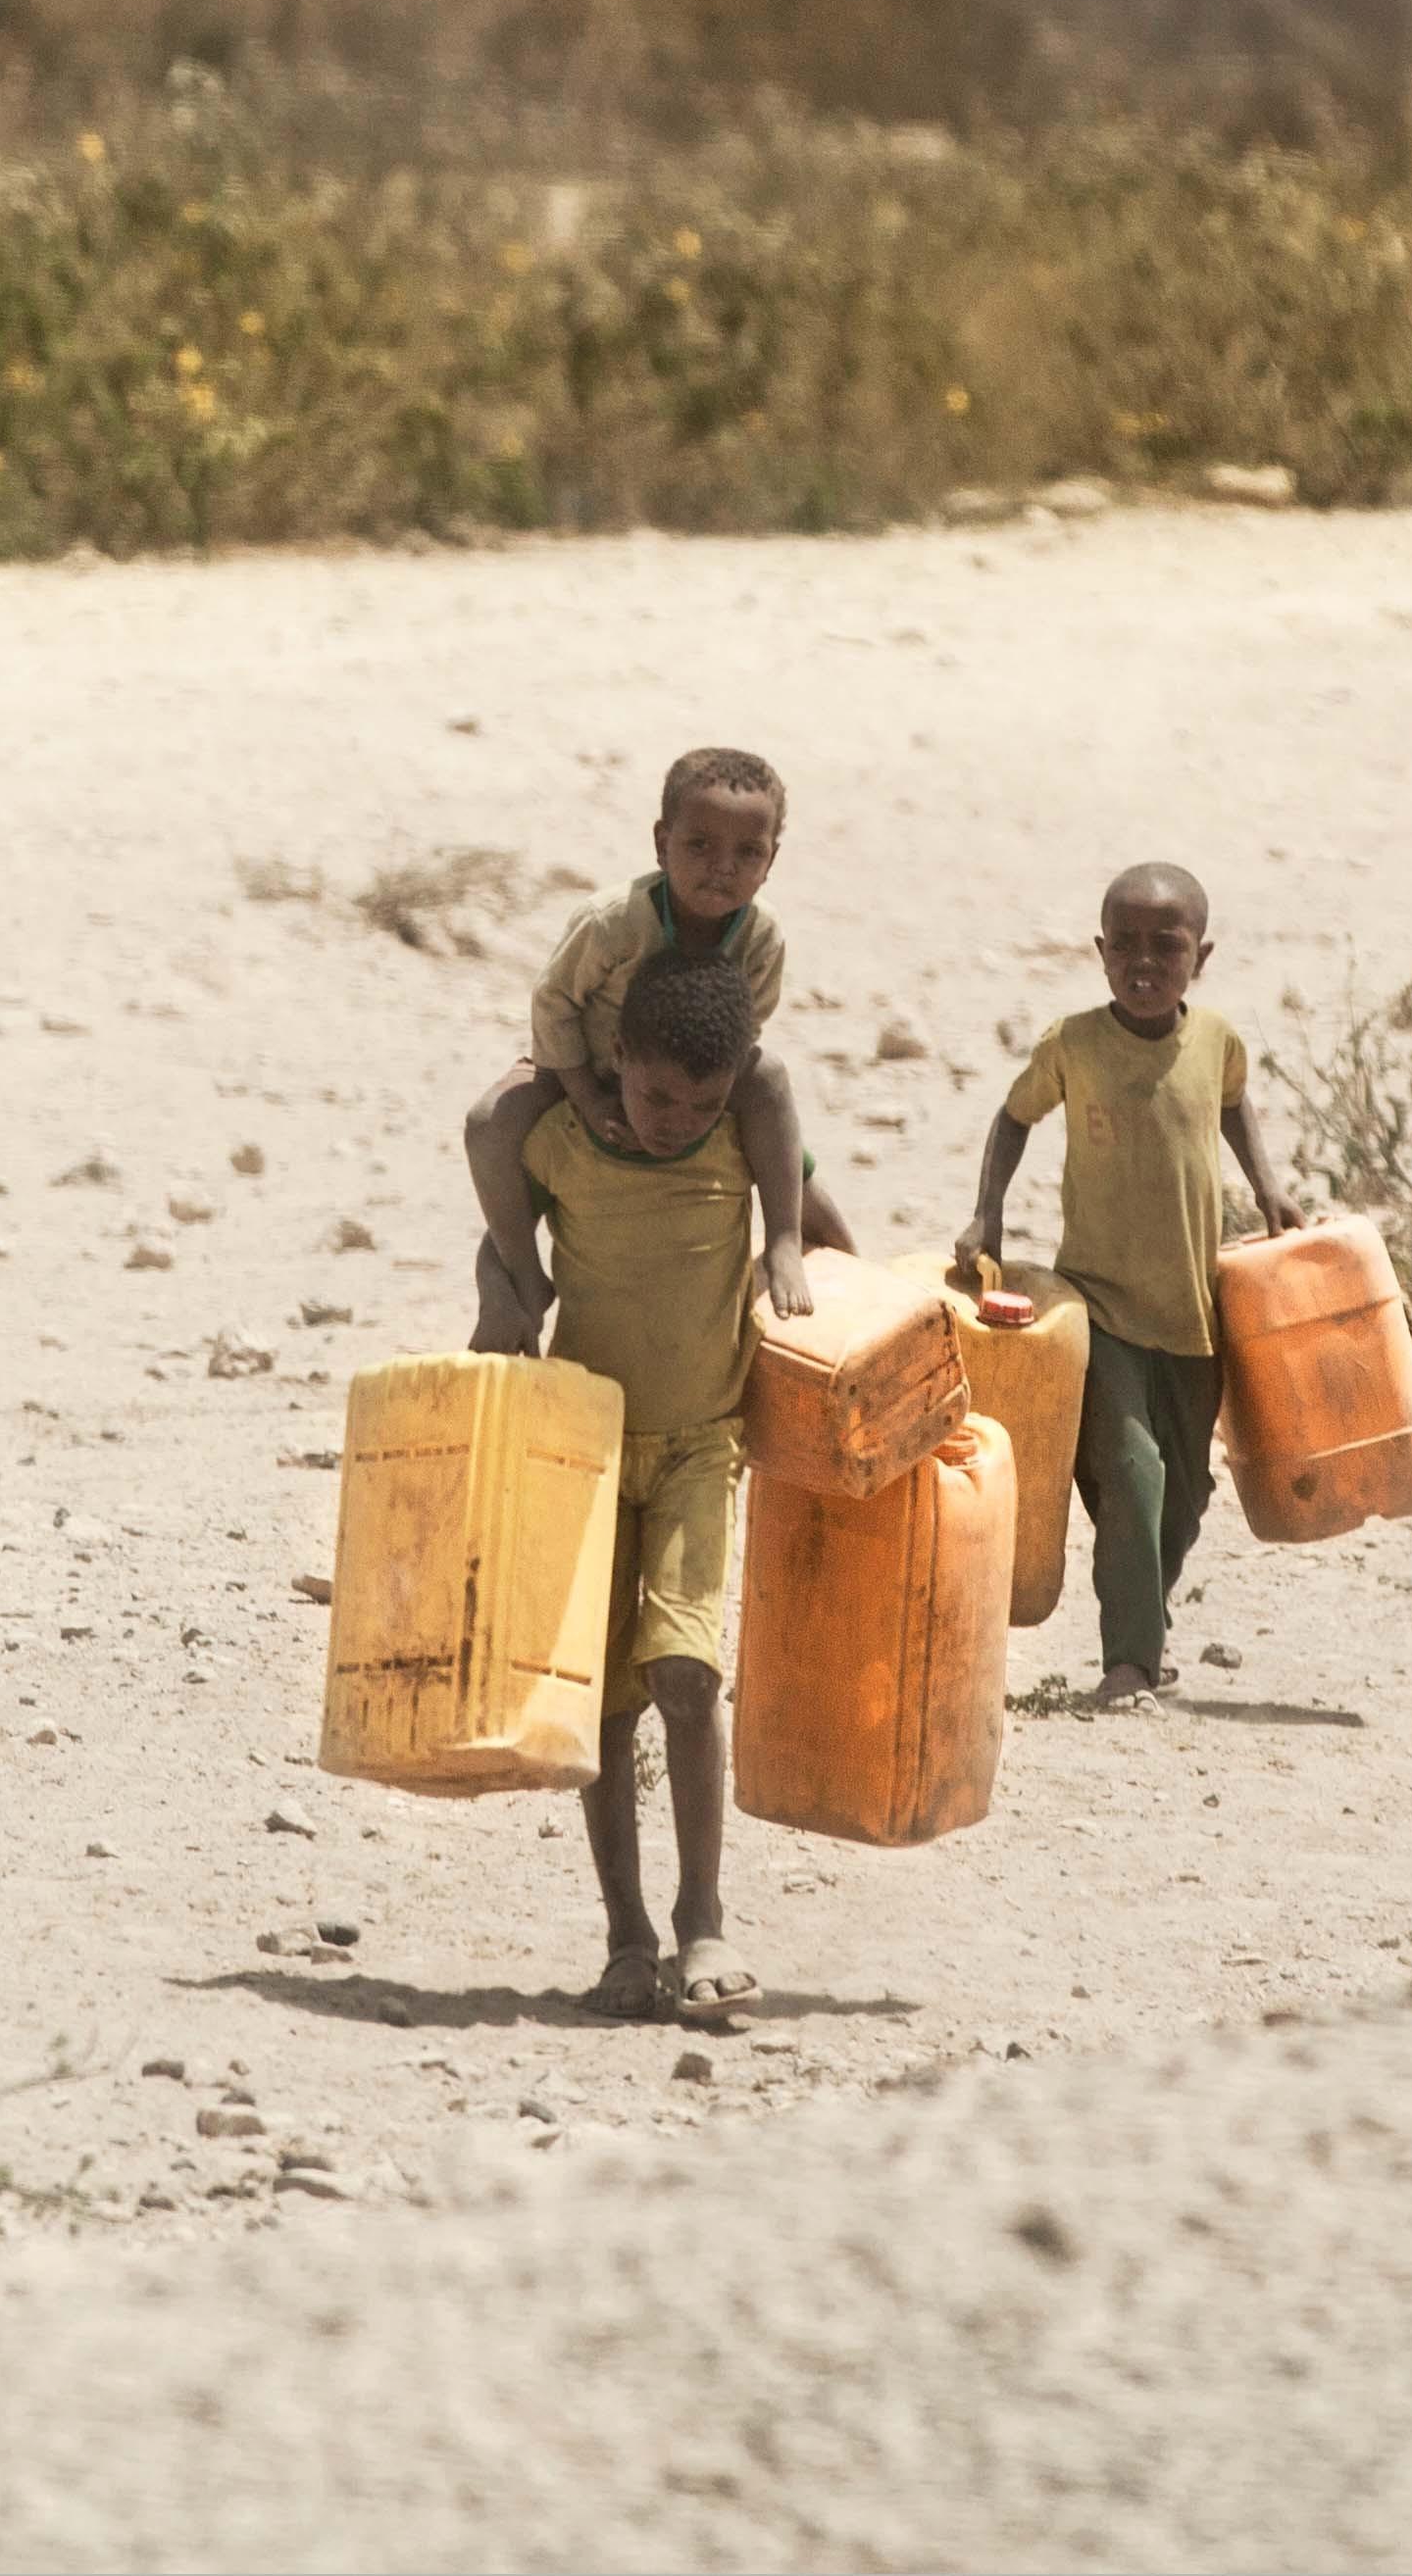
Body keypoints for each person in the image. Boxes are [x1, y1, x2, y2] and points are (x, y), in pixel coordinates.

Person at [473, 955, 767, 2025]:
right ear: (618, 1065)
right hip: (581, 1447)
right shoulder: (565, 1146)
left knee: (687, 1676)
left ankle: (703, 1921)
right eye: (653, 1094)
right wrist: (497, 1295)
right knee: (600, 1702)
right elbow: (499, 1236)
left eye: (702, 1101)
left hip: (696, 1447)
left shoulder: (740, 1143)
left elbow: (813, 1225)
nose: (673, 1120)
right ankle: (625, 1938)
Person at [954, 862, 1300, 1707]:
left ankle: (1144, 1617)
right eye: (1127, 947)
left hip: (1192, 1311)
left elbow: (1231, 1103)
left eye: (1166, 947)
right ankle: (1129, 1662)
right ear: (1100, 951)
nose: (1144, 963)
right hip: (1097, 1304)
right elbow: (1011, 1117)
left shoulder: (1215, 1038)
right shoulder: (1072, 1043)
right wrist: (986, 1215)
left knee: (1183, 1494)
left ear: (1200, 956)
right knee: (1132, 1470)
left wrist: (1265, 1184)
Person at [464, 744, 852, 1347]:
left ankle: (788, 1243)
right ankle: (522, 1270)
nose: (721, 868)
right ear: (661, 842)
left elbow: (746, 1029)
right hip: (586, 1064)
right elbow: (555, 1005)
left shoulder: (762, 936)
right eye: (699, 846)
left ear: (770, 860)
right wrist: (589, 1099)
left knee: (772, 1091)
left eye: (746, 853)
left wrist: (707, 1108)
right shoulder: (612, 923)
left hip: (695, 1074)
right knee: (489, 1123)